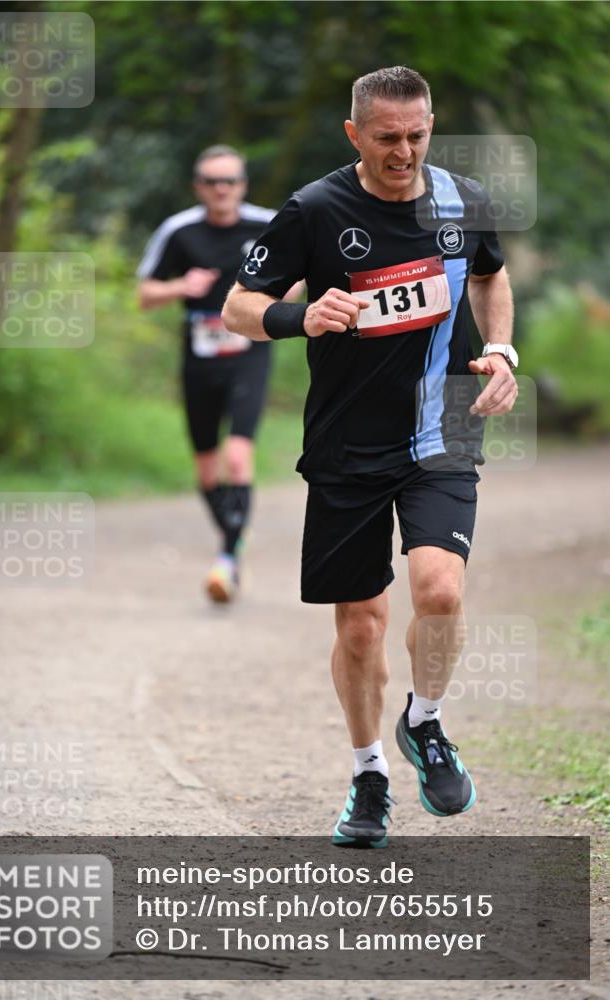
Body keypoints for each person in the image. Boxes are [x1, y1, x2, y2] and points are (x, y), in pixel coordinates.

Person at [222, 67, 518, 846]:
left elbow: (490, 275)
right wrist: (300, 314)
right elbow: (237, 307)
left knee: (440, 591)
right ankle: (367, 775)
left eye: (416, 134)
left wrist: (501, 349)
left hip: (440, 428)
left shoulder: (459, 201)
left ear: (430, 124)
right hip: (346, 441)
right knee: (360, 627)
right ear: (354, 134)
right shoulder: (315, 210)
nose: (403, 151)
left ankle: (425, 721)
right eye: (386, 138)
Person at [137, 145, 276, 603]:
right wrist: (181, 286)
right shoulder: (179, 231)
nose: (222, 189)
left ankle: (227, 559)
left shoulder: (268, 224)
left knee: (237, 457)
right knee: (205, 471)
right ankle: (235, 539)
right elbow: (145, 294)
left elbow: (300, 277)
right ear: (199, 187)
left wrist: (287, 292)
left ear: (243, 184)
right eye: (212, 181)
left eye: (230, 181)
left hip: (249, 352)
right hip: (198, 357)